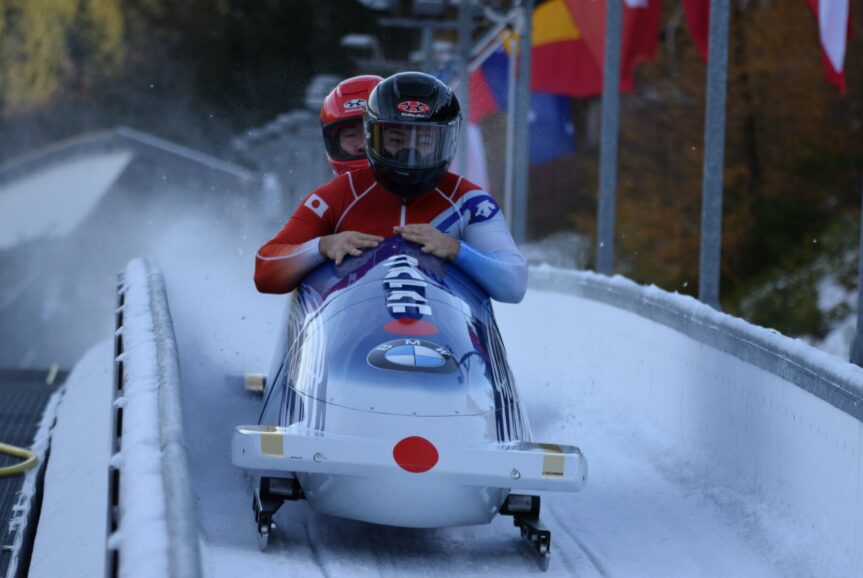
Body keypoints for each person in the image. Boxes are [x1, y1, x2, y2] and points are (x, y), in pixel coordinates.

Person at [255, 71, 527, 303]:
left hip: (443, 337)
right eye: (396, 139)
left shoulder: (470, 202)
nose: (409, 153)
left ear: (445, 142)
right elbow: (265, 271)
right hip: (352, 337)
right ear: (377, 138)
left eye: (423, 141)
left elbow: (514, 284)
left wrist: (457, 250)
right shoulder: (336, 196)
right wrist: (322, 247)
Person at [320, 75, 383, 175]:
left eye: (372, 132)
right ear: (335, 143)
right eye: (351, 135)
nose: (363, 145)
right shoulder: (330, 191)